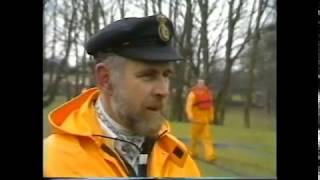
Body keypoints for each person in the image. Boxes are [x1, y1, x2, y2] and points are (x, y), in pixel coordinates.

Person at [43, 14, 200, 177]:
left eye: (166, 75)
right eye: (148, 75)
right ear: (106, 79)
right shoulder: (53, 163)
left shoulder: (178, 159)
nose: (163, 90)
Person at [185, 79, 216, 162]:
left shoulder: (208, 93)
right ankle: (192, 153)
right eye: (199, 84)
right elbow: (189, 106)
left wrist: (211, 117)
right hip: (196, 120)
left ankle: (210, 156)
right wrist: (190, 116)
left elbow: (210, 107)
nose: (201, 85)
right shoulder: (192, 94)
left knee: (207, 138)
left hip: (205, 120)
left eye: (202, 84)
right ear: (197, 85)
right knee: (194, 138)